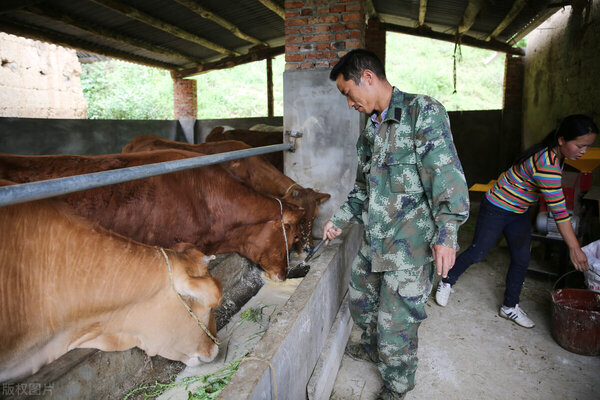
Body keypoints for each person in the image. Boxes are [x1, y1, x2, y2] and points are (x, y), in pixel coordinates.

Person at [323, 49, 470, 400]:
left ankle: (397, 385)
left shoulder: (422, 112)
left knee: (397, 324)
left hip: (411, 246)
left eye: (348, 93)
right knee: (360, 301)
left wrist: (448, 233)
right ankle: (375, 349)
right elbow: (362, 187)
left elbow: (446, 177)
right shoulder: (370, 131)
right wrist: (339, 220)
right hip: (375, 241)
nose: (349, 104)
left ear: (369, 78)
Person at [435, 114, 598, 329]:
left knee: (522, 258)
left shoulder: (557, 155)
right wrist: (574, 248)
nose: (583, 151)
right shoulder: (546, 164)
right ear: (562, 140)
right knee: (479, 251)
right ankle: (447, 281)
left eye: (588, 147)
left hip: (518, 211)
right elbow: (559, 212)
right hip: (497, 206)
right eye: (580, 145)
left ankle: (509, 307)